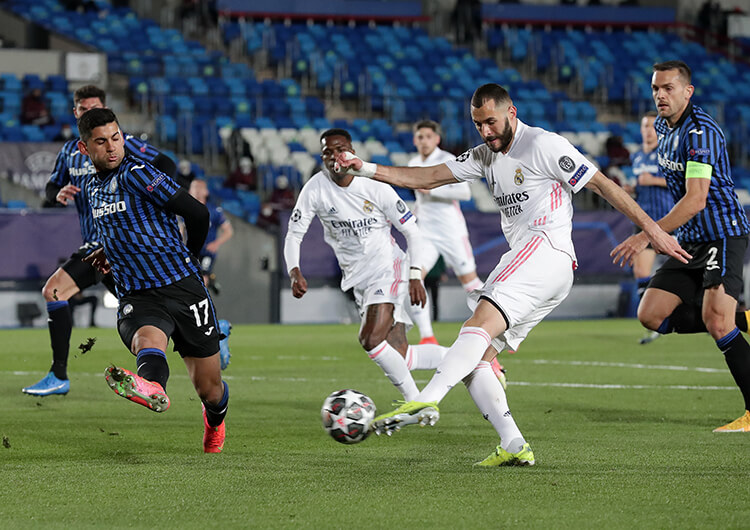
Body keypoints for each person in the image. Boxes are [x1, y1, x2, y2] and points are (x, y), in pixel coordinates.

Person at [336, 83, 687, 465]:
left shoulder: (543, 145)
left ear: (511, 112)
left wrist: (653, 231)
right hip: (539, 265)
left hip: (546, 249)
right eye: (478, 124)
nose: (486, 131)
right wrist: (365, 168)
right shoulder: (485, 155)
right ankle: (514, 444)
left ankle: (426, 398)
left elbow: (603, 185)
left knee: (478, 322)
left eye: (491, 122)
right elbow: (428, 177)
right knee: (476, 359)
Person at [78, 108, 228, 453]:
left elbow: (198, 213)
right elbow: (120, 224)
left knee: (210, 389)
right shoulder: (91, 187)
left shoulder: (139, 173)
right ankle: (152, 388)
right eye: (102, 142)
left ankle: (215, 421)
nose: (112, 147)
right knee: (147, 339)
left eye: (116, 138)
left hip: (182, 287)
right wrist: (107, 248)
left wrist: (190, 255)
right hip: (138, 293)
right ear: (86, 149)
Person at [613, 60, 750, 433]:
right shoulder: (661, 127)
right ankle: (744, 318)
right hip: (689, 239)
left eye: (668, 88)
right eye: (656, 88)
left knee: (717, 322)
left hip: (723, 232)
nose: (660, 95)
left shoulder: (702, 133)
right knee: (651, 315)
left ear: (688, 91)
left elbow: (696, 200)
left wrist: (648, 234)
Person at [22, 85, 177, 397]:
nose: (89, 112)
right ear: (76, 113)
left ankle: (211, 333)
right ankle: (59, 375)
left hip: (124, 248)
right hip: (96, 249)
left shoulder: (121, 145)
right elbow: (52, 189)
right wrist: (59, 194)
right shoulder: (70, 152)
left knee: (162, 309)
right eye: (83, 109)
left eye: (94, 108)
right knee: (57, 292)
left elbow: (166, 167)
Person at [284, 128, 453, 402]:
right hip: (357, 278)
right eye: (328, 152)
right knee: (401, 356)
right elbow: (294, 234)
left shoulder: (374, 185)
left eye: (341, 150)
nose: (335, 157)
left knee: (370, 339)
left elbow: (412, 231)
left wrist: (414, 275)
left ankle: (418, 404)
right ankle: (476, 359)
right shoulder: (315, 188)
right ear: (322, 157)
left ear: (352, 151)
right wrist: (294, 271)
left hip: (388, 268)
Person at [406, 120, 483, 343]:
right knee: (413, 277)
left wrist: (433, 190)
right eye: (420, 137)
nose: (424, 141)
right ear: (414, 140)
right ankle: (427, 336)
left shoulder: (448, 159)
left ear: (437, 139)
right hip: (426, 232)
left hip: (451, 230)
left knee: (471, 283)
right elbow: (420, 200)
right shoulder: (412, 162)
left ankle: (500, 327)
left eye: (429, 136)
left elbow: (464, 193)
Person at [625, 111, 675, 345]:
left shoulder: (668, 153)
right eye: (644, 126)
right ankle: (655, 321)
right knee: (641, 271)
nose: (647, 130)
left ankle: (709, 313)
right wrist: (631, 190)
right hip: (644, 222)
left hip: (669, 220)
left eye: (652, 126)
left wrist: (652, 181)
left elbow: (683, 181)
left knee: (694, 268)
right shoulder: (636, 157)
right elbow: (641, 185)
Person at [187, 178, 233, 368]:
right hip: (189, 253)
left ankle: (212, 325)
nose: (196, 192)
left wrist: (216, 244)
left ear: (205, 192)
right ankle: (210, 326)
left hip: (205, 253)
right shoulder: (185, 209)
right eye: (193, 189)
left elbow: (229, 231)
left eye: (199, 188)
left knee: (200, 283)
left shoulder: (214, 211)